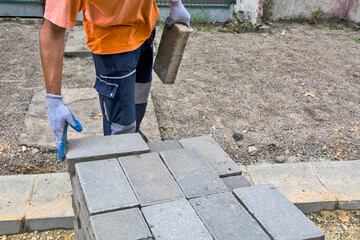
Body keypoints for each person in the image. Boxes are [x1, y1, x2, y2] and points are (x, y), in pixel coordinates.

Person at [39, 0, 190, 161]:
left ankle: (133, 137)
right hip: (114, 46)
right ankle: (120, 161)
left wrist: (175, 3)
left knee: (139, 100)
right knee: (121, 133)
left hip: (145, 30)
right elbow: (53, 30)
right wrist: (54, 102)